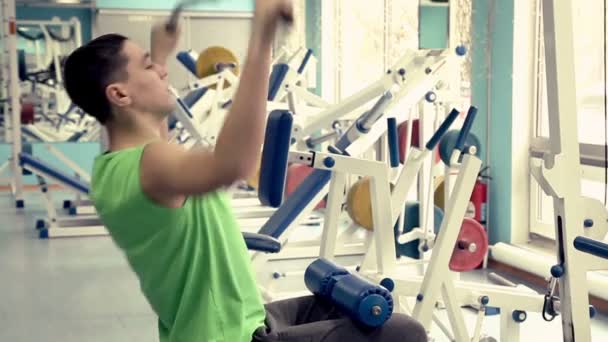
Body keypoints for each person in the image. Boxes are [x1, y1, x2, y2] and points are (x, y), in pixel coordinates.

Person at [63, 0, 427, 341]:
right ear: (120, 95)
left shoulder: (115, 168)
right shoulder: (150, 166)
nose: (161, 71)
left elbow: (149, 127)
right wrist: (261, 38)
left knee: (348, 304)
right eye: (147, 66)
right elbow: (234, 163)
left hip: (243, 319)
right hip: (232, 336)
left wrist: (159, 54)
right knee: (403, 332)